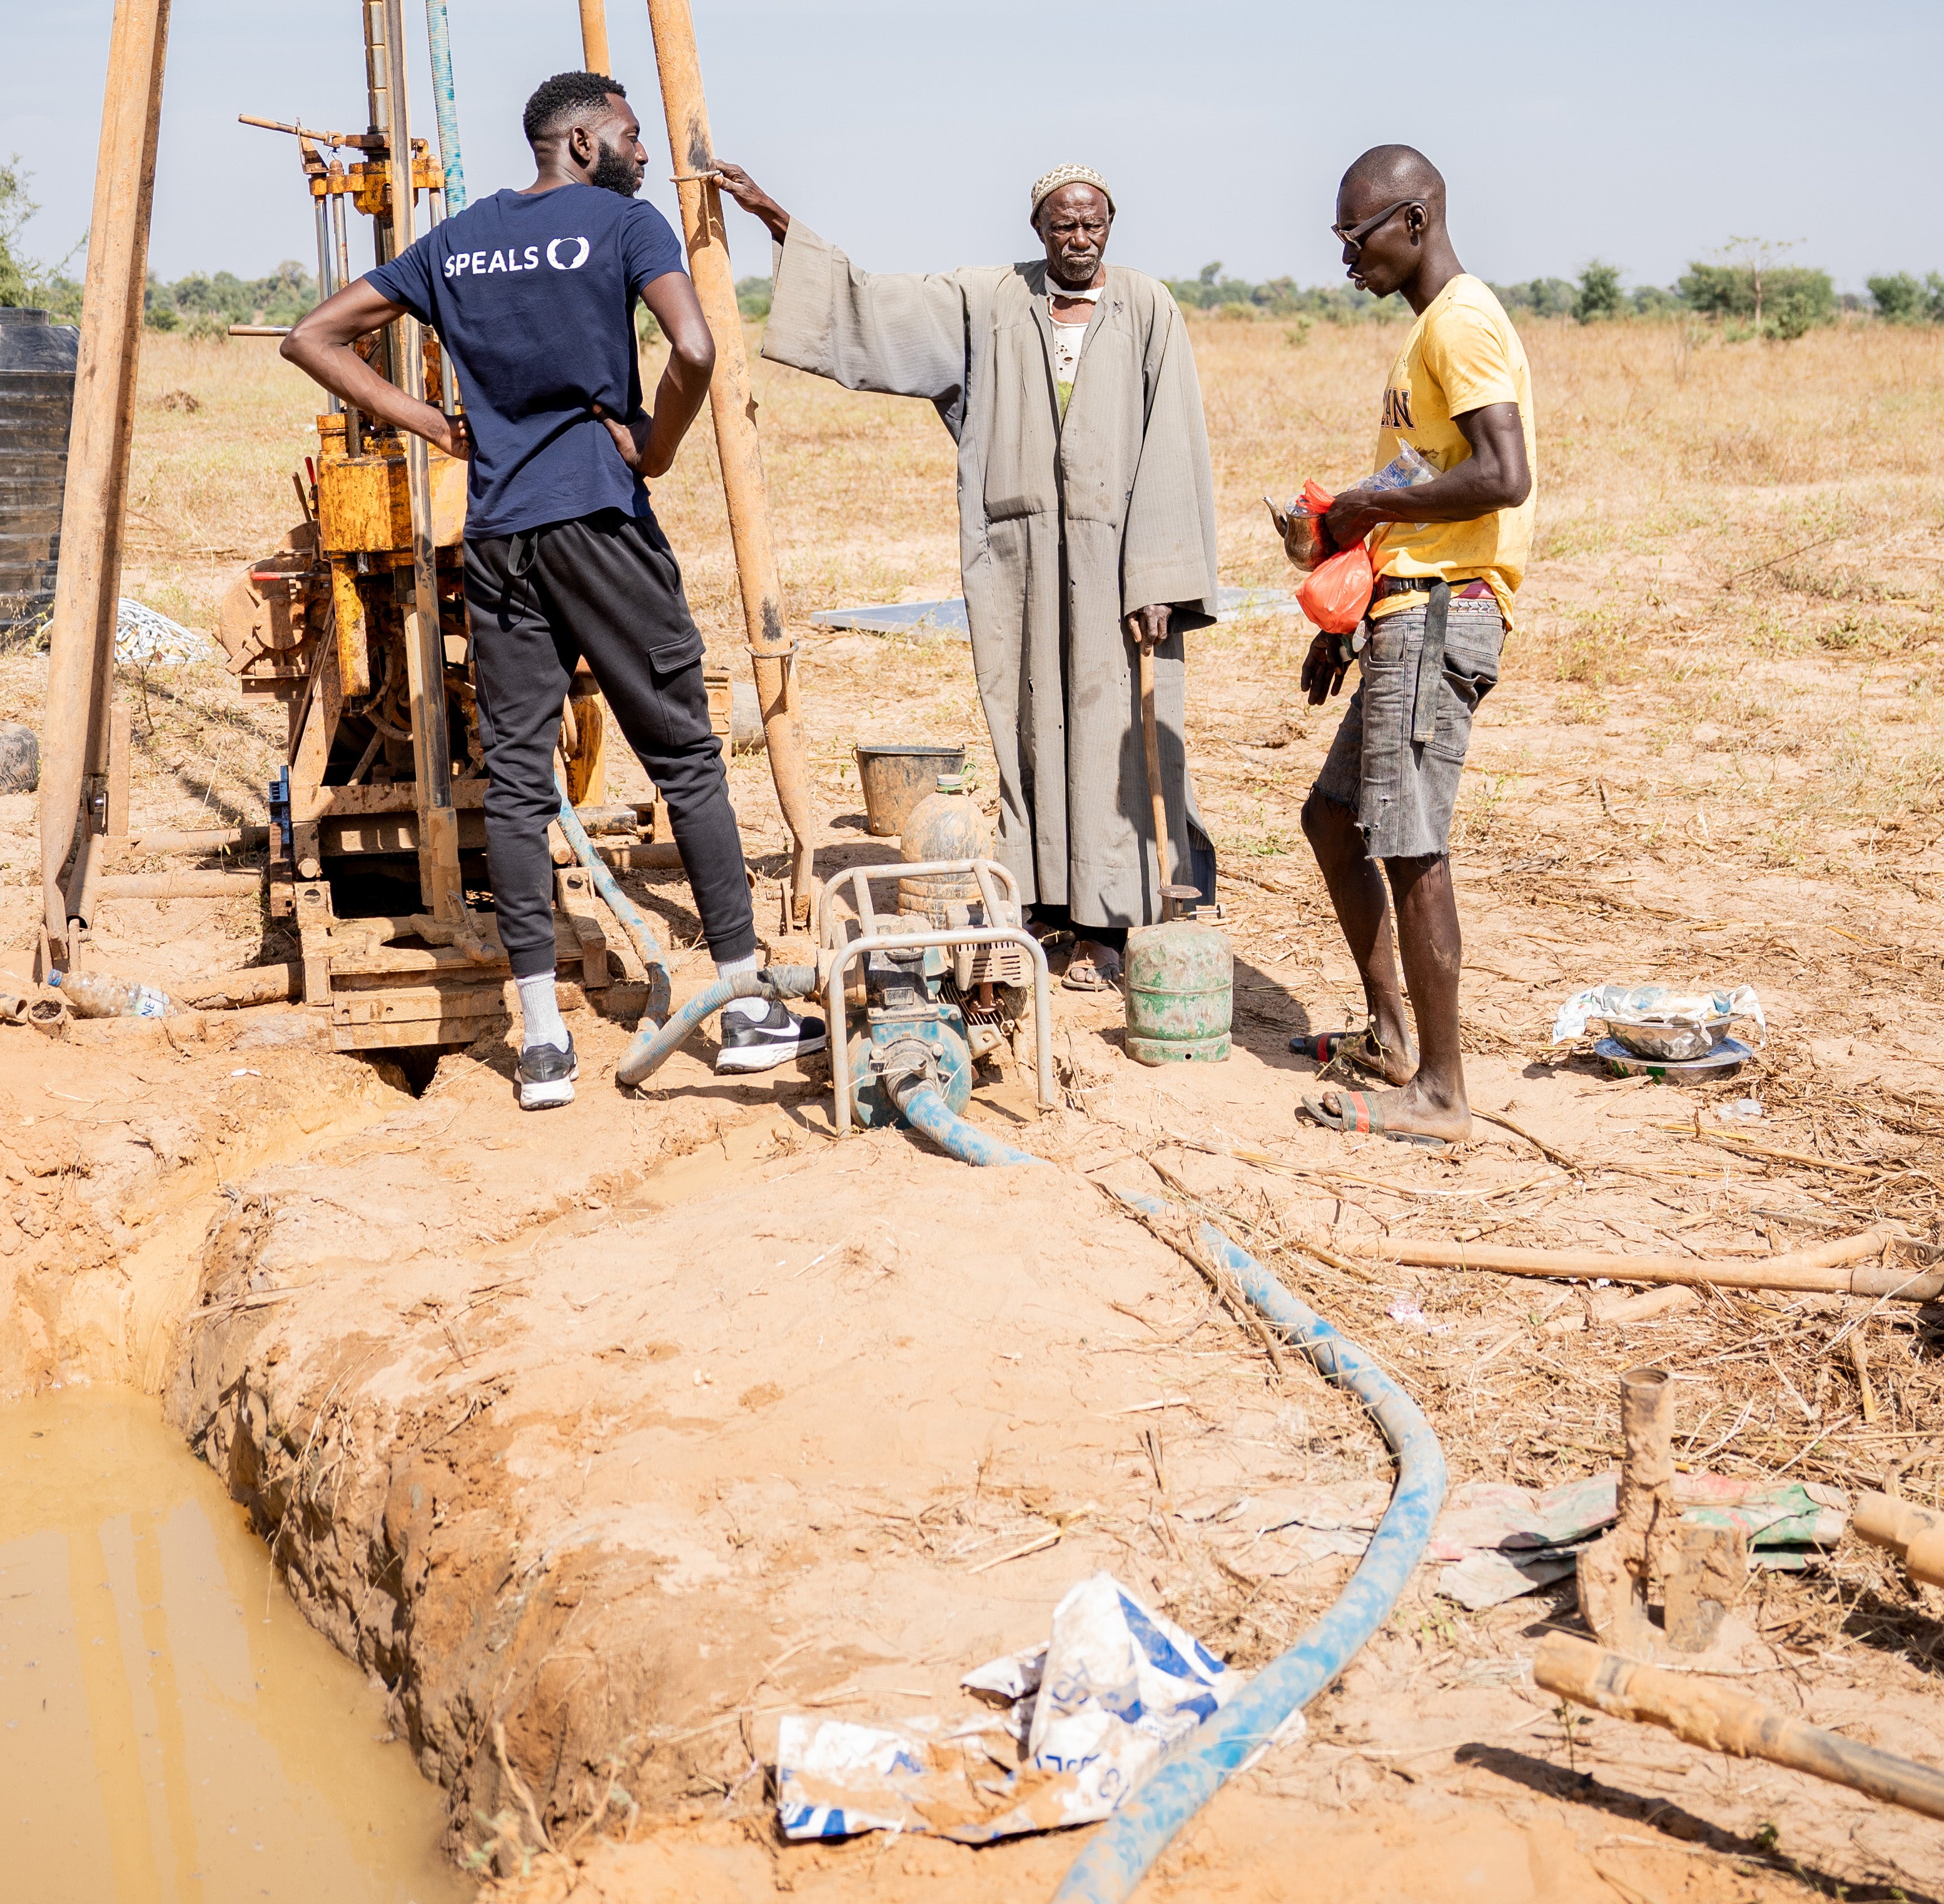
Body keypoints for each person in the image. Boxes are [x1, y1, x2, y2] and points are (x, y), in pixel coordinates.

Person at [281, 71, 799, 1110]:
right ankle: (744, 1006)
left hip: (500, 537)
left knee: (517, 782)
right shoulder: (623, 223)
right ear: (579, 141)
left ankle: (542, 1040)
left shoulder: (458, 240)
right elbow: (693, 347)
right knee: (686, 757)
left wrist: (428, 423)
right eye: (629, 133)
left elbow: (313, 337)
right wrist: (652, 447)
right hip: (599, 523)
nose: (644, 152)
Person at [709, 154, 1219, 978]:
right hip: (1016, 559)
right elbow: (876, 309)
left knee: (1115, 737)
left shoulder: (1147, 307)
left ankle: (1115, 921)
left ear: (1111, 227)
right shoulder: (989, 300)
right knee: (1028, 725)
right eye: (1063, 225)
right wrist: (776, 218)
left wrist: (1161, 578)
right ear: (1038, 231)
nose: (1080, 239)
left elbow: (1174, 445)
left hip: (1120, 566)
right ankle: (1049, 908)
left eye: (1093, 225)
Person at [1290, 144, 1534, 1143]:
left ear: (1416, 221)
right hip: (1406, 610)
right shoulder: (1426, 333)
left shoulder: (1464, 322)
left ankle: (1440, 1090)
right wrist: (1352, 603)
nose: (1347, 257)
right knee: (1333, 818)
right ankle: (1393, 1038)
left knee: (1411, 845)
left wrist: (1361, 504)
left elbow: (1503, 474)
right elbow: (1435, 477)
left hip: (1444, 615)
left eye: (1358, 236)